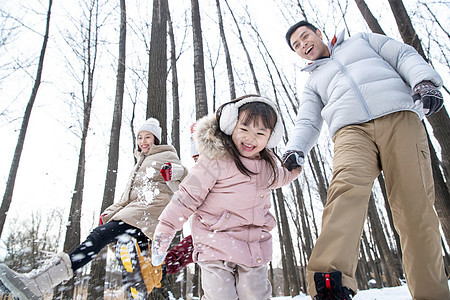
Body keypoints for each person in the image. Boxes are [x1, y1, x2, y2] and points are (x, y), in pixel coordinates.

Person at [282, 20, 449, 300]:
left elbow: (402, 55)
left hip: (398, 115)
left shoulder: (361, 41)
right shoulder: (313, 82)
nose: (303, 46)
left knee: (413, 207)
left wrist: (424, 80)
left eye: (305, 37)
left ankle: (431, 293)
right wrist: (295, 148)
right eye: (296, 46)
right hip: (350, 132)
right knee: (345, 191)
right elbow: (308, 120)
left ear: (319, 33)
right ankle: (330, 282)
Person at [0, 118, 188, 299]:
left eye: (148, 137)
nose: (143, 141)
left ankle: (38, 283)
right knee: (132, 270)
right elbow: (126, 199)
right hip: (135, 215)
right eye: (139, 137)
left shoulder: (166, 154)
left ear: (156, 138)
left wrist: (173, 171)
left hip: (147, 215)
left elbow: (184, 175)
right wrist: (109, 213)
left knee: (98, 237)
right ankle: (136, 294)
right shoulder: (138, 163)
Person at [150, 95, 301, 300]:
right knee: (221, 296)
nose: (250, 138)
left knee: (255, 295)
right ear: (231, 127)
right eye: (244, 129)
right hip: (215, 242)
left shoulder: (269, 167)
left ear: (270, 138)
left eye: (260, 133)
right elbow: (187, 196)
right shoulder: (214, 159)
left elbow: (283, 177)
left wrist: (294, 170)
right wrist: (166, 228)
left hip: (253, 245)